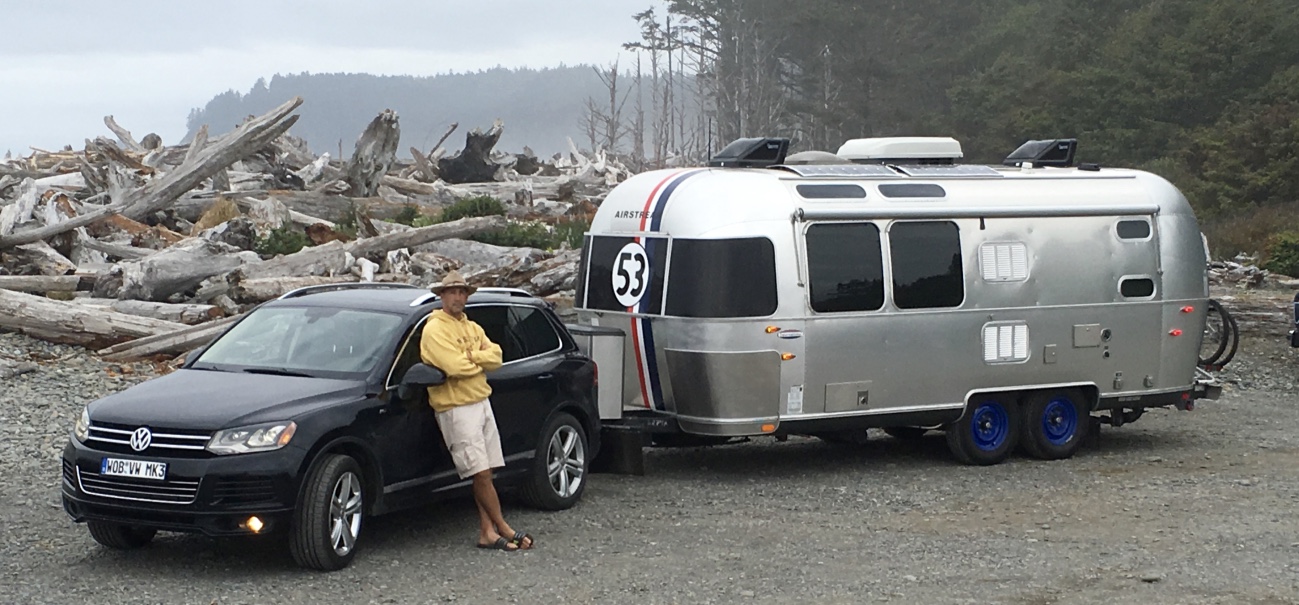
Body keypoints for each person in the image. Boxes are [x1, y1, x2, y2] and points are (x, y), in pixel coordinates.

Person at [420, 270, 534, 551]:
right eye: (452, 292)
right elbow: (454, 367)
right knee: (480, 472)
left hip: (481, 401)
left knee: (487, 470)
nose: (458, 297)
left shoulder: (472, 327)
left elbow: (497, 356)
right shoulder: (435, 329)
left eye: (462, 292)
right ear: (442, 296)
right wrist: (477, 362)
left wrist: (471, 357)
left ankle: (487, 531)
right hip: (456, 406)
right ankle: (503, 526)